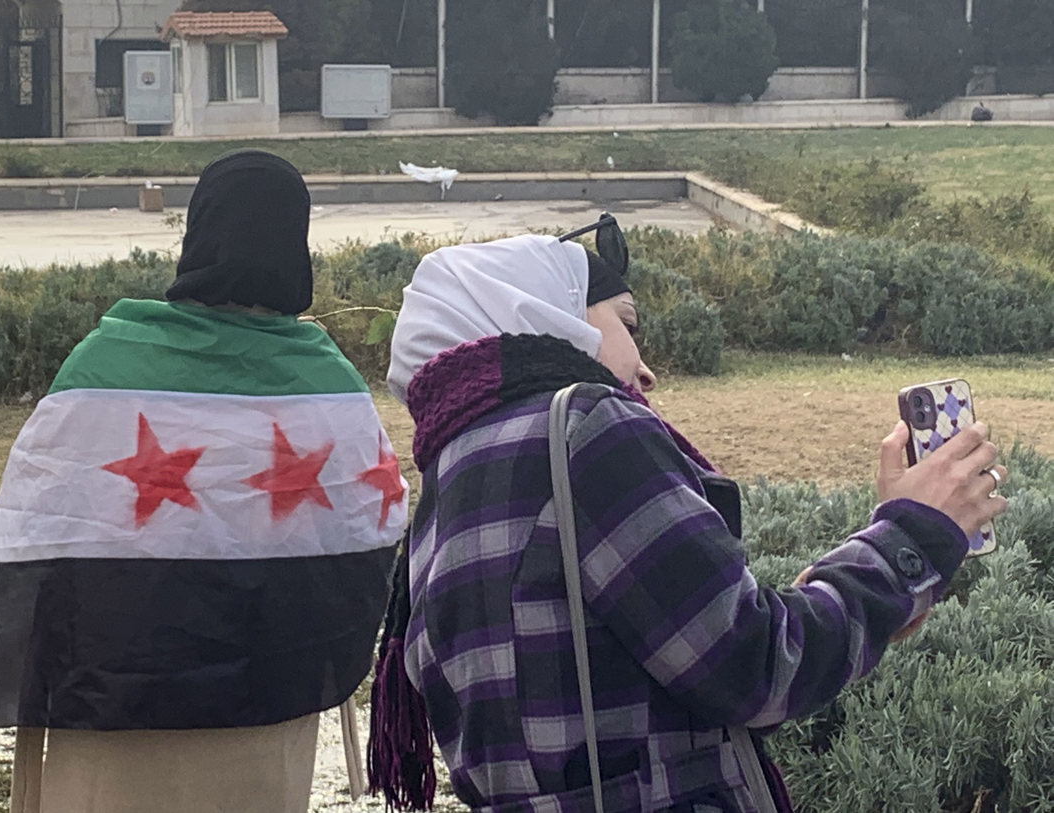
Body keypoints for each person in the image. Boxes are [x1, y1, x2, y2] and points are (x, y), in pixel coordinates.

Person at [369, 230, 1007, 812]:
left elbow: (657, 659)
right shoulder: (584, 429)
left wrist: (869, 582)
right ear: (549, 312)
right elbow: (757, 668)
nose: (644, 366)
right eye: (626, 322)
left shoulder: (449, 475)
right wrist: (912, 537)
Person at [0, 149, 408, 813]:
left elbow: (45, 517)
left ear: (199, 232)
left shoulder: (108, 362)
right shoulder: (324, 382)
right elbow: (369, 525)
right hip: (264, 711)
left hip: (117, 706)